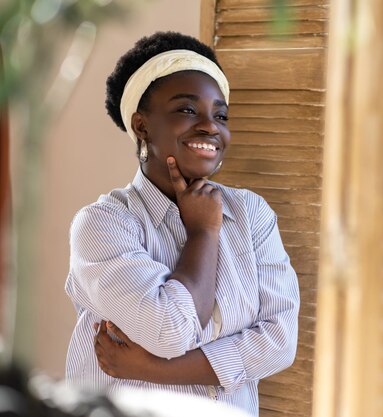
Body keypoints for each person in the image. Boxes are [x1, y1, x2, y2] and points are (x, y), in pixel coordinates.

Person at [65, 31, 300, 417]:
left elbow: (279, 341)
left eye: (220, 115)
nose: (210, 127)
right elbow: (170, 329)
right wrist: (203, 232)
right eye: (188, 110)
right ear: (142, 125)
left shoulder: (251, 214)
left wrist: (154, 368)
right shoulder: (102, 225)